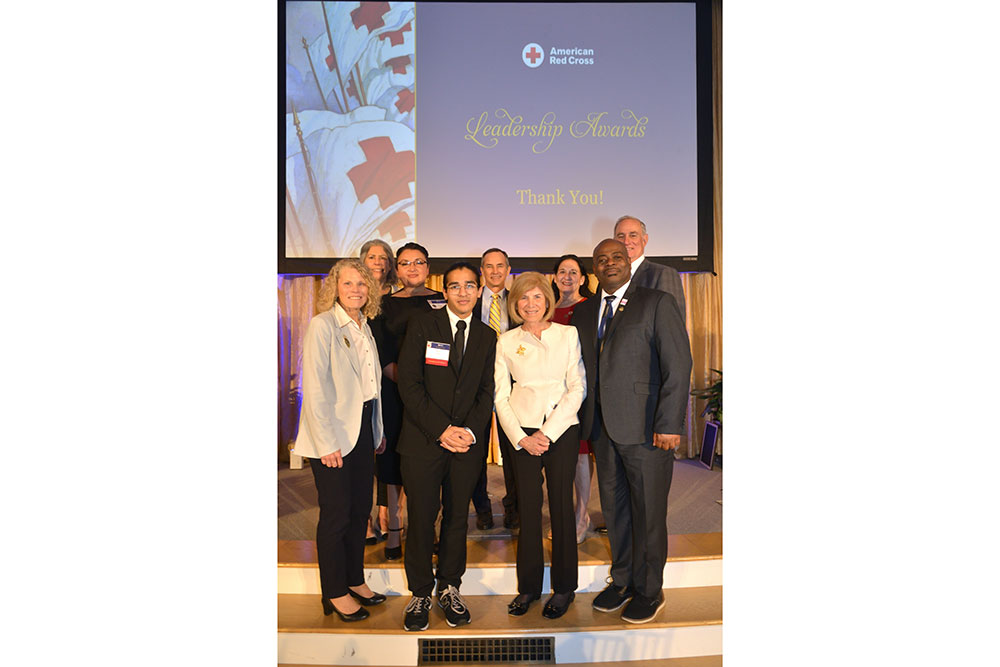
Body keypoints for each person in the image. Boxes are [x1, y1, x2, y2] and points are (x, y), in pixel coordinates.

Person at [570, 239, 692, 624]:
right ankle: (622, 579)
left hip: (647, 431)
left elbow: (679, 365)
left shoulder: (655, 302)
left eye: (616, 257)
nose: (609, 264)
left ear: (629, 262)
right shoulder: (585, 312)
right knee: (616, 510)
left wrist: (670, 424)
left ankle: (650, 590)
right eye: (601, 259)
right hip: (603, 430)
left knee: (649, 512)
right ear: (595, 267)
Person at [396, 262, 497, 631]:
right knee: (422, 519)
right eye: (455, 287)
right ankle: (421, 591)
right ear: (445, 291)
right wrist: (442, 429)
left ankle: (450, 586)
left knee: (457, 518)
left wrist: (468, 431)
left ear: (479, 288)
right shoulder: (423, 326)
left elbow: (487, 391)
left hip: (466, 446)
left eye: (470, 286)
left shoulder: (488, 336)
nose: (463, 293)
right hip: (423, 441)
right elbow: (408, 383)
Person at [293, 258, 389, 622]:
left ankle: (354, 579)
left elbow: (371, 387)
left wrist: (375, 430)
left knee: (359, 509)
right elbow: (315, 388)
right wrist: (326, 441)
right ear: (335, 287)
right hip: (332, 434)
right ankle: (334, 592)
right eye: (348, 284)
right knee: (336, 515)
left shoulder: (365, 326)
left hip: (363, 428)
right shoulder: (323, 325)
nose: (356, 290)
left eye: (362, 284)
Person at [494, 272, 585, 620]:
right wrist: (521, 437)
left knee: (561, 507)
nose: (530, 304)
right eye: (523, 298)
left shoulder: (568, 334)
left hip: (560, 428)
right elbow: (500, 396)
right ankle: (529, 587)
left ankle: (564, 588)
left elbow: (578, 386)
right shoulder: (506, 341)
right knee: (529, 510)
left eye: (537, 297)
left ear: (547, 300)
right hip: (522, 431)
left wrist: (549, 431)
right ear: (515, 304)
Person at [369, 242, 445, 561]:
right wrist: (408, 381)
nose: (412, 268)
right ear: (396, 269)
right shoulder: (383, 304)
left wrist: (428, 385)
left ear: (428, 268)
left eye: (419, 262)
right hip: (395, 390)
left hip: (434, 393)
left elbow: (446, 344)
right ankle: (395, 530)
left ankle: (430, 529)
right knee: (393, 462)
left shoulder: (442, 302)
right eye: (405, 263)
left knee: (432, 461)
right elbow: (380, 350)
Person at [470, 247, 518, 530]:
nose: (495, 271)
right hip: (476, 385)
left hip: (512, 386)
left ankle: (513, 507)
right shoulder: (469, 302)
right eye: (489, 266)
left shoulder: (519, 302)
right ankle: (483, 508)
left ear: (508, 270)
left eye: (500, 266)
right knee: (475, 451)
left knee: (513, 450)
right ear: (482, 271)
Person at [549, 254, 595, 544]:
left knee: (580, 456)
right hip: (552, 395)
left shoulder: (590, 308)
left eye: (573, 272)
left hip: (582, 391)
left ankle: (582, 515)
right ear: (554, 277)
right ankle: (565, 514)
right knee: (558, 458)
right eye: (562, 271)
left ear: (582, 278)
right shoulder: (545, 309)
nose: (567, 276)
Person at [360, 239, 397, 545]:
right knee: (363, 453)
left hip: (392, 383)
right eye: (372, 256)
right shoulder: (355, 292)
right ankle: (365, 517)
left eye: (383, 257)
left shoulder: (396, 296)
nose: (377, 261)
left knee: (388, 450)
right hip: (362, 382)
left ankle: (386, 513)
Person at [613, 215, 686, 318]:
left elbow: (672, 323)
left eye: (633, 235)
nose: (626, 241)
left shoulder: (663, 274)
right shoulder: (608, 277)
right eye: (621, 236)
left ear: (644, 240)